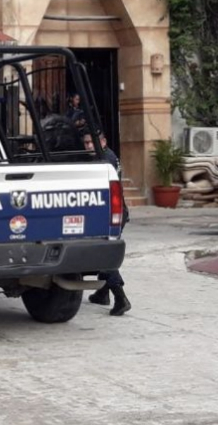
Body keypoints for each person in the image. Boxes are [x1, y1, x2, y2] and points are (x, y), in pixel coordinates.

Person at [83, 130, 131, 316]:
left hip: (109, 215)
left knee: (104, 255)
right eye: (85, 143)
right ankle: (103, 293)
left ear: (103, 141)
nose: (88, 146)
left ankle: (121, 297)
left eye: (91, 143)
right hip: (113, 213)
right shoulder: (106, 156)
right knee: (104, 252)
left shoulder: (104, 160)